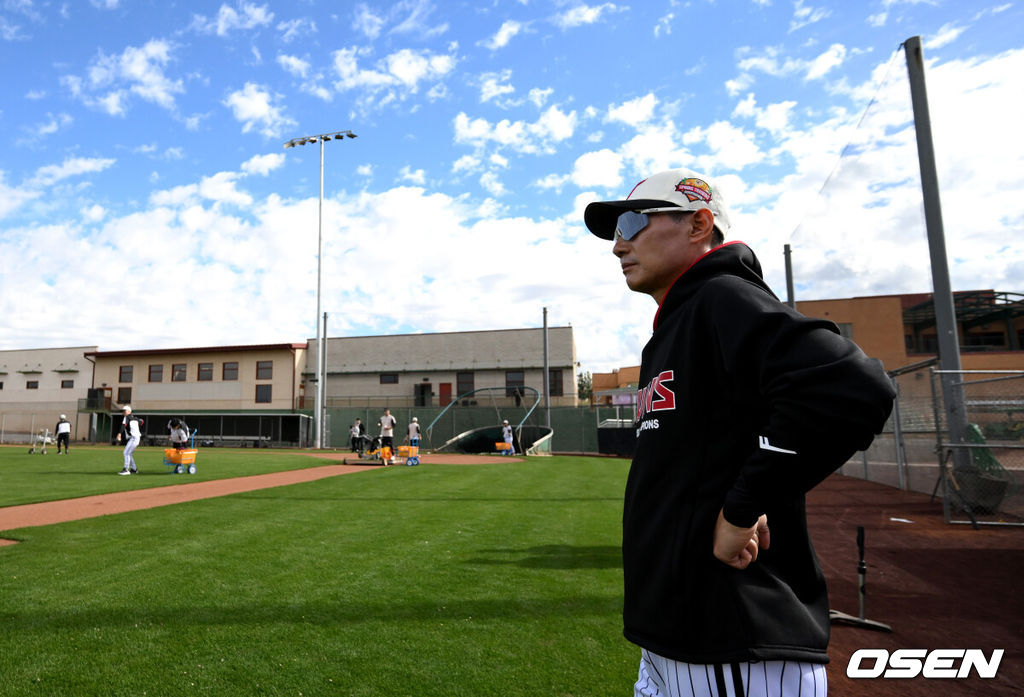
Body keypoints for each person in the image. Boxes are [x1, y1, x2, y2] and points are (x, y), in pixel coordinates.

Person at [584, 168, 895, 697]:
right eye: (615, 232)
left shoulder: (722, 297)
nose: (619, 245)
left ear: (699, 223)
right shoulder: (677, 323)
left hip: (733, 637)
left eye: (634, 222)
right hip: (678, 634)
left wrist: (742, 508)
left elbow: (851, 386)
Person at [116, 405, 143, 475]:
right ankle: (134, 469)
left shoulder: (127, 417)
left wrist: (119, 434)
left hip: (134, 438)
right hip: (134, 438)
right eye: (123, 411)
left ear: (129, 411)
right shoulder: (135, 418)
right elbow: (141, 422)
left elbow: (123, 426)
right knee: (127, 453)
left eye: (124, 411)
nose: (123, 413)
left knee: (126, 453)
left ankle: (126, 469)